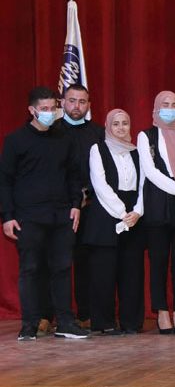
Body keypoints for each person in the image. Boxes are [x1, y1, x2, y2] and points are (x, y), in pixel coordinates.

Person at [0, 86, 89, 340]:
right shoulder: (16, 140)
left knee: (62, 268)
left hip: (61, 216)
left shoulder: (64, 138)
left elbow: (73, 176)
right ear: (32, 110)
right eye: (44, 109)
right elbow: (5, 181)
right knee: (30, 269)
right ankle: (30, 324)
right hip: (28, 217)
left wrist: (75, 204)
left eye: (53, 108)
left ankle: (65, 322)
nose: (50, 113)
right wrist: (7, 216)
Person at [137, 91, 175, 334]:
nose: (170, 109)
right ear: (156, 107)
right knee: (159, 260)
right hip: (158, 202)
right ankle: (161, 312)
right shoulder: (146, 136)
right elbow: (150, 172)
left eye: (174, 105)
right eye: (165, 105)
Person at [84, 109, 145, 335]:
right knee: (104, 273)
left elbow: (144, 185)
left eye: (125, 123)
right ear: (108, 127)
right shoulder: (98, 149)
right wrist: (122, 213)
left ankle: (131, 322)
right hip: (106, 214)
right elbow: (100, 185)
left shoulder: (137, 152)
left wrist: (137, 211)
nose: (121, 128)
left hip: (134, 216)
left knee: (132, 272)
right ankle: (105, 323)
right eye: (116, 124)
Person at [58, 84, 104, 329]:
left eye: (82, 101)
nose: (77, 106)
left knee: (87, 263)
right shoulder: (51, 132)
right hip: (60, 207)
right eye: (72, 100)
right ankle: (50, 316)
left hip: (93, 206)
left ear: (89, 105)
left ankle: (85, 314)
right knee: (57, 262)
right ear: (62, 102)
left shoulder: (98, 133)